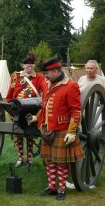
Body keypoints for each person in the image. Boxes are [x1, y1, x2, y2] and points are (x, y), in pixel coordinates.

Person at [29, 58, 84, 200]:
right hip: (47, 129)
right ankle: (52, 187)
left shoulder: (71, 86)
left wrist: (72, 131)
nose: (45, 76)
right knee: (49, 160)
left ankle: (61, 189)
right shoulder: (48, 85)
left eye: (48, 73)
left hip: (62, 129)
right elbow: (45, 106)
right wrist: (37, 117)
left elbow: (76, 111)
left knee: (61, 162)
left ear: (56, 71)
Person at [6, 53, 45, 168]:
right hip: (17, 109)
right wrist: (9, 108)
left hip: (31, 109)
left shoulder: (39, 77)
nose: (29, 67)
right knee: (18, 135)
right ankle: (20, 158)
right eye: (27, 65)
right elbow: (10, 92)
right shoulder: (15, 76)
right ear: (23, 66)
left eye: (31, 65)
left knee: (30, 135)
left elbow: (44, 91)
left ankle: (30, 159)